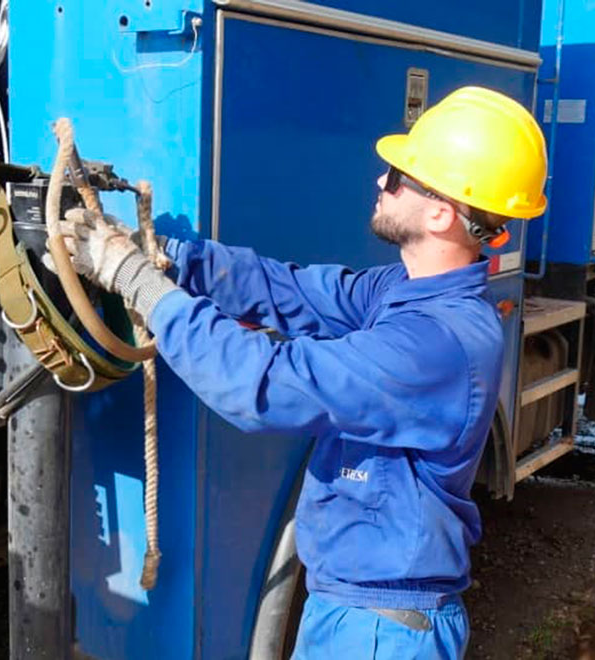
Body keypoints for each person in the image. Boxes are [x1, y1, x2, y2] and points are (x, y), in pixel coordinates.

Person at [55, 86, 547, 658]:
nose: (378, 181)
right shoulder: (405, 292)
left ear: (441, 212)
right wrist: (166, 254)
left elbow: (264, 383)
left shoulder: (437, 343)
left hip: (381, 632)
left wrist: (138, 281)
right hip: (352, 609)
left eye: (396, 173)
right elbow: (290, 290)